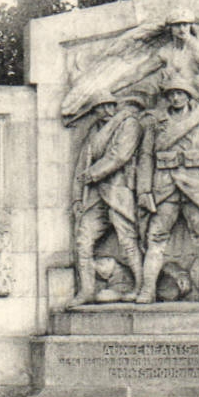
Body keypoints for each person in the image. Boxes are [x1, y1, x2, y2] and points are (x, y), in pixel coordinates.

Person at [135, 75, 199, 304]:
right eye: (172, 94)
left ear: (188, 95)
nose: (176, 98)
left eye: (180, 93)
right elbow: (145, 157)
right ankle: (147, 290)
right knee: (156, 238)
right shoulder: (157, 122)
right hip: (164, 186)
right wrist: (144, 191)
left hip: (196, 186)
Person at [72, 90, 147, 303]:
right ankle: (86, 290)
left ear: (115, 107)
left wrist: (94, 173)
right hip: (96, 196)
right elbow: (81, 165)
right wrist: (77, 198)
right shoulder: (94, 132)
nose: (105, 111)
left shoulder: (128, 124)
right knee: (83, 240)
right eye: (99, 108)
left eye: (108, 106)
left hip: (119, 190)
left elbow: (120, 155)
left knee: (128, 240)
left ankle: (141, 286)